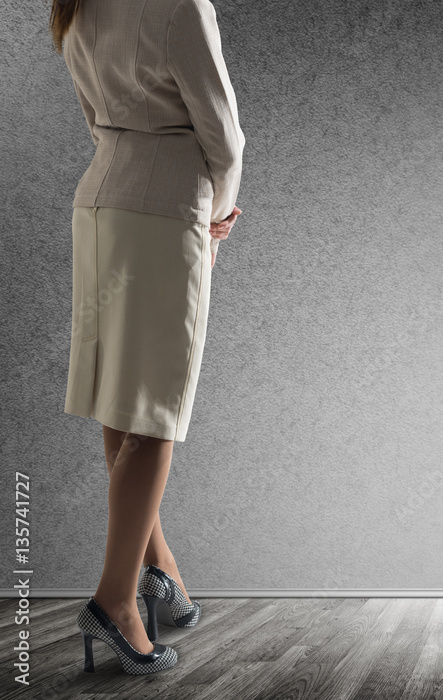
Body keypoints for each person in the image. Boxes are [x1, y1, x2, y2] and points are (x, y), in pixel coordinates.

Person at [49, 0, 245, 675]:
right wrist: (219, 214)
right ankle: (114, 604)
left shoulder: (75, 5)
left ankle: (158, 569)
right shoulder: (181, 5)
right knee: (156, 411)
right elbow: (224, 135)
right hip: (164, 207)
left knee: (119, 398)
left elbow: (91, 113)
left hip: (98, 203)